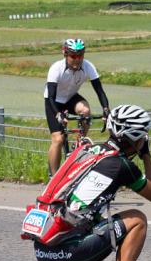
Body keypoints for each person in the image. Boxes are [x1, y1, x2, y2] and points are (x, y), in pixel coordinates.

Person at [33, 104, 151, 261]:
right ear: (137, 138)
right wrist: (146, 155)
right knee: (137, 219)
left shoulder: (86, 150)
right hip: (67, 255)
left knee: (86, 215)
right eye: (143, 136)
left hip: (43, 250)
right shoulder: (122, 166)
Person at [44, 38, 110, 175]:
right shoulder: (56, 68)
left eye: (80, 55)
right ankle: (54, 177)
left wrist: (106, 110)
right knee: (58, 139)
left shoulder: (87, 66)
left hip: (71, 97)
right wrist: (58, 114)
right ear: (65, 55)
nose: (77, 59)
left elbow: (99, 91)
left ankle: (79, 143)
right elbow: (50, 96)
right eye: (73, 56)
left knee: (85, 110)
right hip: (54, 100)